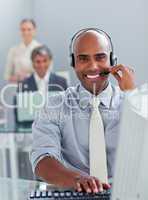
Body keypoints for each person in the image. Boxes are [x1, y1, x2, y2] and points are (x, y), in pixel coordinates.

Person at [30, 28, 135, 193]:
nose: (93, 67)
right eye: (83, 58)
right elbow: (42, 160)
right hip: (74, 192)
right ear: (73, 63)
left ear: (113, 60)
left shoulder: (133, 102)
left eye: (100, 57)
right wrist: (76, 179)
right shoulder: (54, 105)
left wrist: (132, 97)